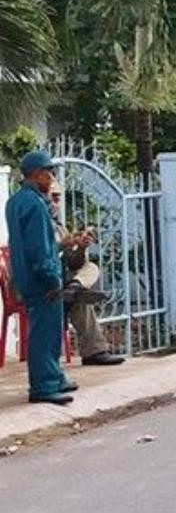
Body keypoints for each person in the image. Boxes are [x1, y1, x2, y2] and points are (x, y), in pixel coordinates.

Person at [4, 151, 75, 405]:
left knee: (50, 328)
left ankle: (55, 378)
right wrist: (50, 277)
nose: (52, 177)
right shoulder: (34, 205)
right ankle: (44, 386)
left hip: (25, 275)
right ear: (36, 173)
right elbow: (39, 247)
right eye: (49, 171)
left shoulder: (16, 202)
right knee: (45, 333)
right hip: (40, 278)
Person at [46, 181, 124, 366]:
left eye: (58, 198)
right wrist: (60, 245)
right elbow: (37, 255)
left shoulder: (59, 227)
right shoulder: (37, 223)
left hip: (61, 281)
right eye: (51, 197)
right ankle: (94, 351)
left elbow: (73, 262)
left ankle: (75, 287)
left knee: (90, 269)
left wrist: (80, 248)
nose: (54, 203)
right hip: (43, 282)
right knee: (79, 301)